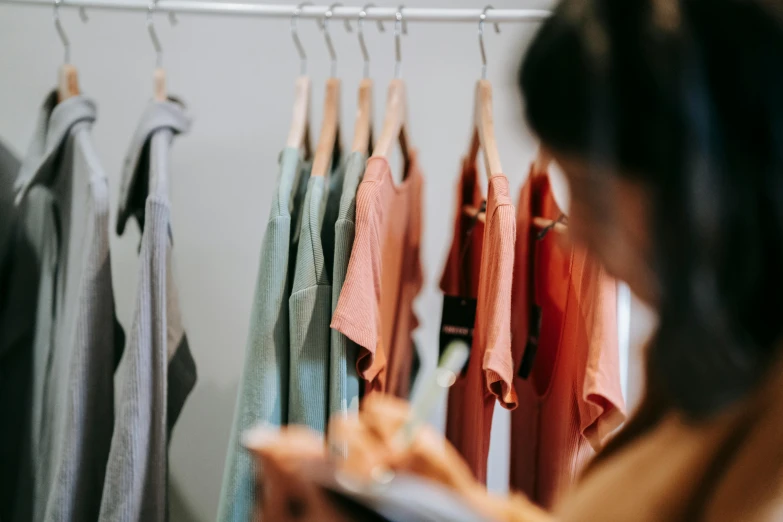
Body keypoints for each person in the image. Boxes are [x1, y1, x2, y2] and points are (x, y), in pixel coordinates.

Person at [248, 1, 783, 520]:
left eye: (594, 200)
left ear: (708, 183)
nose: (577, 239)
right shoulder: (705, 367)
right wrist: (454, 495)